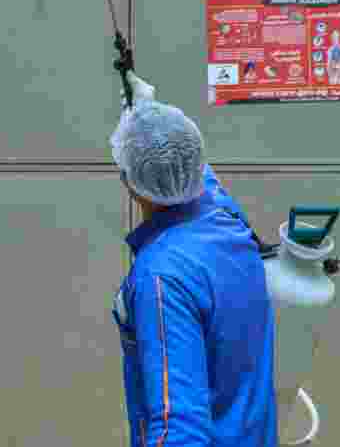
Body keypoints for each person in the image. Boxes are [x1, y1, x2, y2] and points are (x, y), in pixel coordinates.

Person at [110, 74, 277, 446]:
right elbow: (191, 171)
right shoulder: (227, 223)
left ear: (128, 182)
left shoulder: (162, 277)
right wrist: (146, 108)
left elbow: (180, 428)